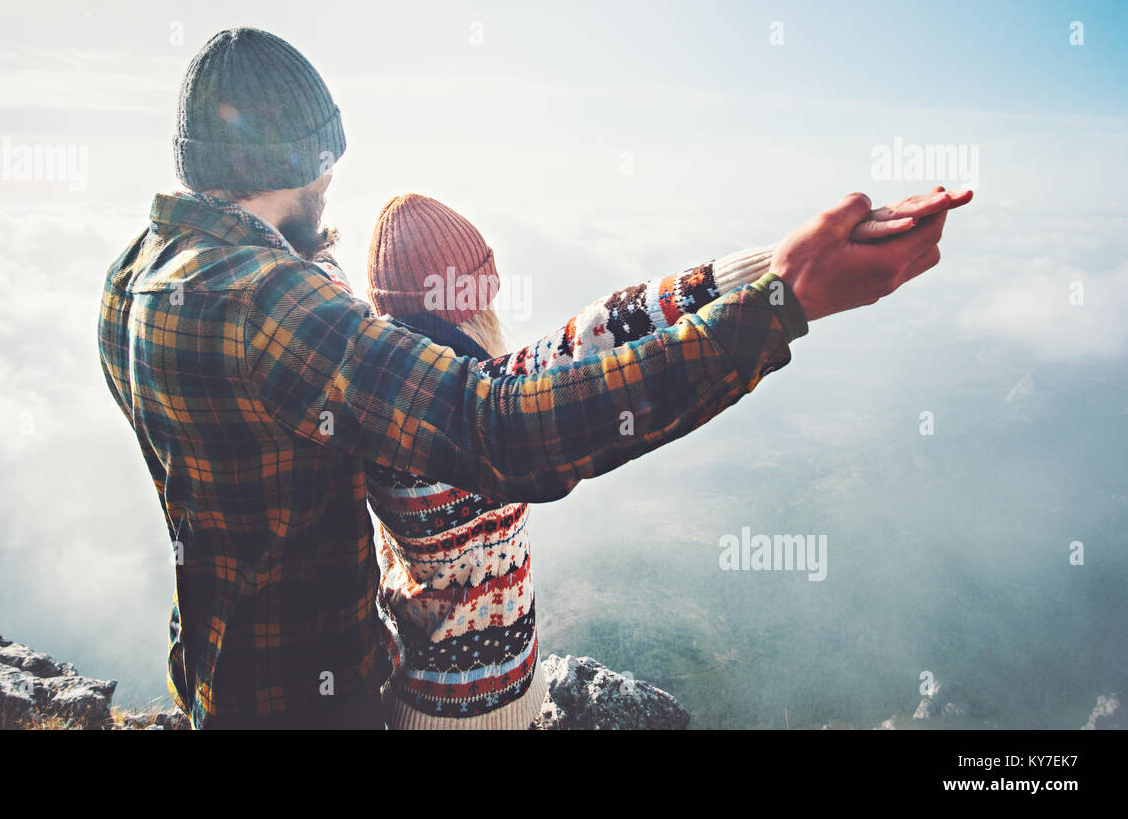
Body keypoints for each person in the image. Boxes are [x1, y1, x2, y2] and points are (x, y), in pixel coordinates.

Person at [97, 27, 971, 729]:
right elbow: (500, 428)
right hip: (313, 696)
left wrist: (765, 270)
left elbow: (568, 336)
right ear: (299, 164)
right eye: (329, 168)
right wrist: (777, 309)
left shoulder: (137, 277)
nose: (335, 189)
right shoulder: (269, 307)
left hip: (214, 670)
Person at [360, 190, 967, 728]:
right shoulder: (456, 419)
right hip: (451, 716)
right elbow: (600, 346)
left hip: (464, 697)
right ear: (471, 301)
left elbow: (603, 328)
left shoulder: (418, 400)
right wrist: (783, 290)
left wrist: (779, 265)